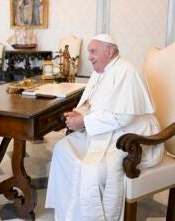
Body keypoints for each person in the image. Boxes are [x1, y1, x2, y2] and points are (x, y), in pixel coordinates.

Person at [45, 34, 164, 221]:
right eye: (89, 52)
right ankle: (69, 212)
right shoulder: (99, 72)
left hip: (132, 134)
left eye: (93, 52)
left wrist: (84, 122)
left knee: (95, 171)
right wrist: (80, 114)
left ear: (109, 51)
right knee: (61, 150)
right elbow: (92, 104)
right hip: (105, 130)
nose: (90, 57)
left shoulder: (127, 71)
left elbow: (125, 116)